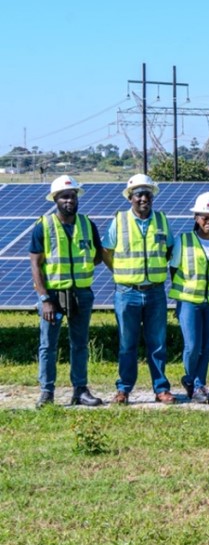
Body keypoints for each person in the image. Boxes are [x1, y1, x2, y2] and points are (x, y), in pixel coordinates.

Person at [30, 175, 106, 408]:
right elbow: (35, 264)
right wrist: (44, 299)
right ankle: (47, 392)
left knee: (80, 343)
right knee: (48, 345)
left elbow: (96, 256)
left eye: (72, 196)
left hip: (81, 293)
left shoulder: (87, 224)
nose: (69, 200)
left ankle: (80, 390)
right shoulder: (43, 225)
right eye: (64, 196)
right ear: (55, 199)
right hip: (52, 296)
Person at [104, 173, 175, 404]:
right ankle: (124, 389)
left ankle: (161, 389)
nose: (143, 198)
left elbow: (170, 250)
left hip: (155, 291)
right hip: (127, 292)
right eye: (138, 194)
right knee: (127, 344)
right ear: (130, 198)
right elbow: (106, 250)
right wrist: (120, 271)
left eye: (147, 194)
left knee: (158, 344)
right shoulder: (119, 221)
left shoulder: (162, 220)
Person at [169, 192, 209, 405]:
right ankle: (190, 379)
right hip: (188, 301)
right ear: (196, 217)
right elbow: (173, 269)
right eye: (205, 217)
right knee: (193, 345)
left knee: (206, 345)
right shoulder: (183, 241)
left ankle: (198, 383)